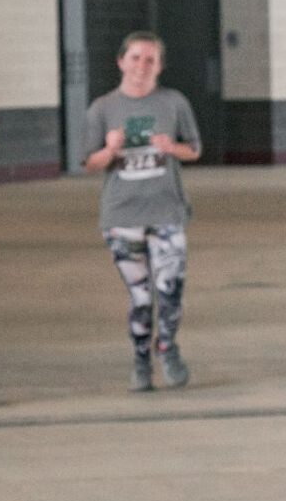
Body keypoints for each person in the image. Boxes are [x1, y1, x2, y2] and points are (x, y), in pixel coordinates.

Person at [85, 32, 202, 392]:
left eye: (150, 60)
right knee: (141, 295)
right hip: (122, 216)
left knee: (170, 289)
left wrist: (172, 147)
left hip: (166, 210)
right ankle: (139, 361)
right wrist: (110, 150)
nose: (141, 66)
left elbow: (194, 149)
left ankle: (167, 346)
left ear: (160, 67)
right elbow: (90, 163)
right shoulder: (103, 108)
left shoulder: (173, 103)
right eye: (135, 58)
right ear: (121, 62)